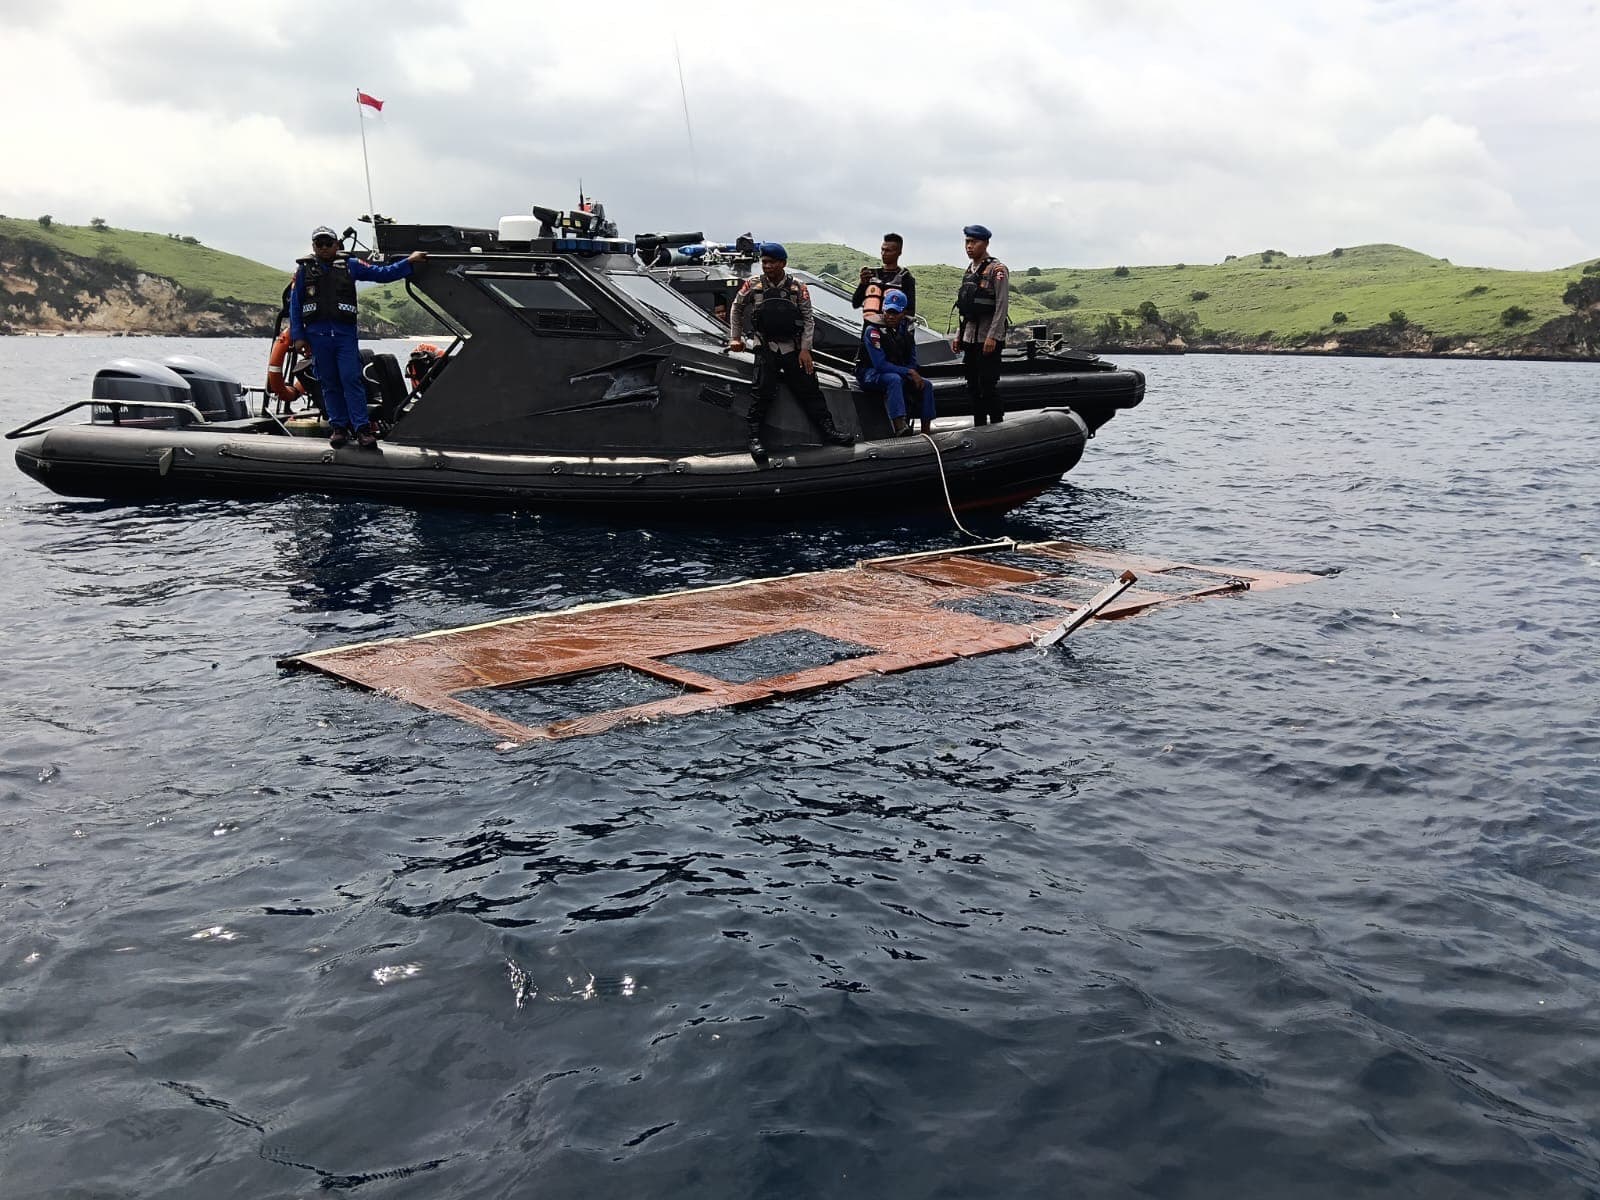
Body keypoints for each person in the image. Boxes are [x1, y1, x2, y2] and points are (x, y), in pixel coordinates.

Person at [289, 226, 427, 448]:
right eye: (319, 244)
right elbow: (295, 306)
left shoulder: (351, 265)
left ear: (336, 245)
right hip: (318, 337)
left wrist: (408, 262)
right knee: (329, 382)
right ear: (314, 246)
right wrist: (298, 336)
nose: (324, 248)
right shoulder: (304, 271)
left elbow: (382, 274)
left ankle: (362, 428)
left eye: (328, 243)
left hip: (344, 336)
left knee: (351, 379)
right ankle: (339, 428)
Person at [727, 242, 855, 462]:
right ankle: (755, 438)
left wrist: (805, 349)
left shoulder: (798, 287)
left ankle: (828, 431)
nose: (767, 266)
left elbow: (808, 319)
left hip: (793, 348)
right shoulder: (753, 284)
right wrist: (735, 337)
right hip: (766, 346)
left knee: (810, 391)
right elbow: (737, 307)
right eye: (764, 262)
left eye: (771, 262)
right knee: (761, 393)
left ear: (783, 263)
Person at [951, 223, 1010, 425]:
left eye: (974, 242)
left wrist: (993, 336)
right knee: (973, 385)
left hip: (987, 335)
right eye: (967, 242)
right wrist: (958, 335)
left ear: (985, 243)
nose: (969, 246)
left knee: (987, 384)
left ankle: (997, 423)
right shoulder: (970, 270)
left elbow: (1001, 305)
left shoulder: (998, 270)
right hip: (970, 336)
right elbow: (964, 307)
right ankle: (979, 423)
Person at [856, 289, 934, 436]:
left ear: (903, 313)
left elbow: (911, 358)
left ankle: (926, 429)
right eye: (888, 312)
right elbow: (880, 365)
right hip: (870, 372)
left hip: (897, 369)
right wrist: (908, 372)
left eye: (895, 313)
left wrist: (911, 372)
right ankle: (899, 426)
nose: (891, 316)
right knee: (894, 379)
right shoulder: (873, 330)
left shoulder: (907, 329)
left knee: (926, 385)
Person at [852, 232, 917, 322]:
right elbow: (855, 303)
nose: (883, 253)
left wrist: (897, 317)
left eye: (888, 251)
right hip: (870, 327)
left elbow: (911, 311)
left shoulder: (906, 278)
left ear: (899, 252)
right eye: (882, 250)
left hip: (892, 330)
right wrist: (862, 284)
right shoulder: (872, 275)